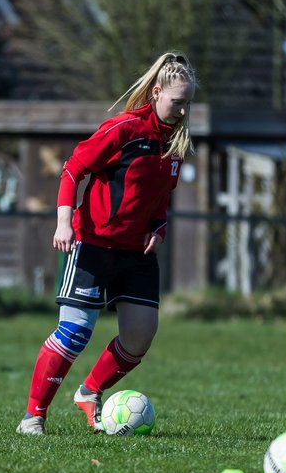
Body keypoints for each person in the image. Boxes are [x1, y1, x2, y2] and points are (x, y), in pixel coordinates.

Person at [17, 52, 197, 435]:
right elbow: (72, 169)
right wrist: (64, 222)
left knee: (139, 336)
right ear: (156, 92)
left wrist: (159, 228)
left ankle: (90, 392)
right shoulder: (123, 129)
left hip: (137, 253)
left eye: (187, 103)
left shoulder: (175, 145)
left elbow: (160, 200)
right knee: (75, 333)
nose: (182, 111)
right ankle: (34, 416)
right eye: (176, 102)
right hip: (91, 243)